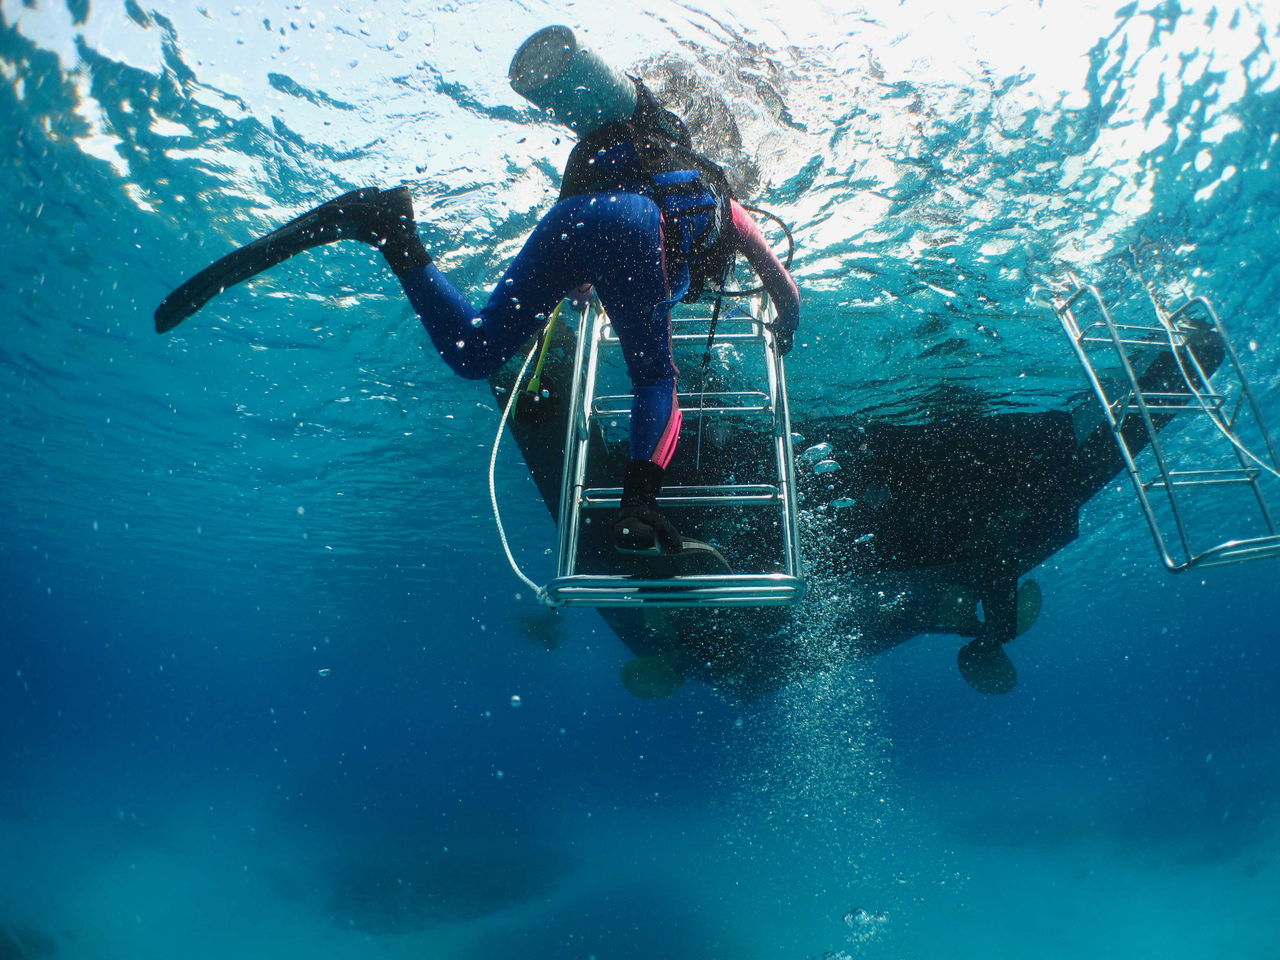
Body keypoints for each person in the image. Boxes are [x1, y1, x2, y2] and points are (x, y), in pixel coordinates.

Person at [155, 25, 800, 557]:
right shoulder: (725, 207)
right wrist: (788, 320)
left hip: (574, 219)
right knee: (655, 377)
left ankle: (391, 231)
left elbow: (603, 265)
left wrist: (585, 282)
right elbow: (782, 286)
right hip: (629, 227)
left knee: (476, 352)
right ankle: (639, 507)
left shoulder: (647, 173)